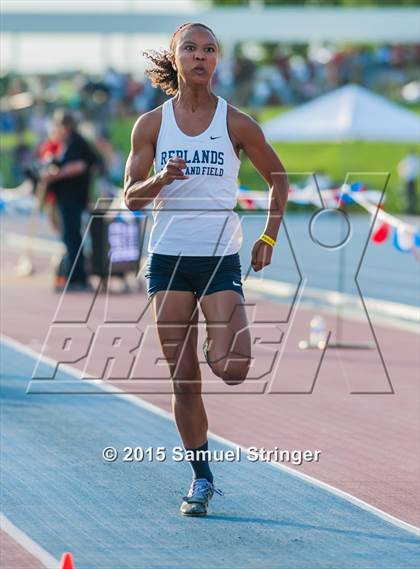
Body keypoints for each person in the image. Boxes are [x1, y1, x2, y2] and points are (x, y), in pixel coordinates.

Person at [124, 22, 288, 516]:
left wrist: (267, 236)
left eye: (209, 49)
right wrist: (160, 179)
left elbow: (279, 181)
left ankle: (220, 343)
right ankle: (200, 478)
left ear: (217, 61)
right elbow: (130, 199)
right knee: (184, 379)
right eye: (190, 49)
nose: (200, 56)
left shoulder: (237, 123)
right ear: (176, 58)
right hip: (169, 262)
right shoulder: (150, 125)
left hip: (218, 260)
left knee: (234, 367)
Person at [43, 110, 99, 291]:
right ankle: (75, 277)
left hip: (73, 198)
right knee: (70, 237)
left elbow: (79, 166)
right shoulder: (67, 143)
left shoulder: (76, 142)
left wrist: (55, 176)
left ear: (65, 126)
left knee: (72, 237)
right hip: (68, 198)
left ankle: (77, 278)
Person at [398, 150, 418, 214]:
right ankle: (409, 209)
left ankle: (410, 208)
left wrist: (402, 176)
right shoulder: (413, 159)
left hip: (410, 179)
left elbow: (401, 167)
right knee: (410, 194)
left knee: (410, 194)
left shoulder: (408, 159)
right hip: (410, 179)